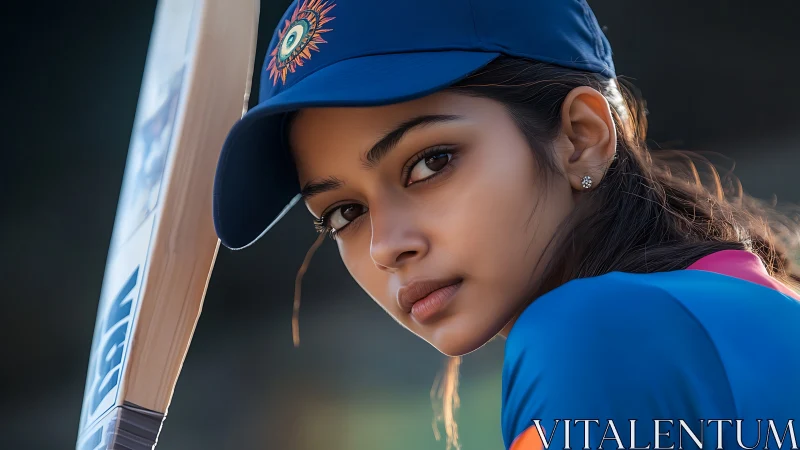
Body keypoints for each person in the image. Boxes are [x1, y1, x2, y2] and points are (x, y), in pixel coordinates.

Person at [211, 0, 800, 449]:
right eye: (344, 213)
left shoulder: (596, 332)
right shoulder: (738, 309)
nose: (387, 246)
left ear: (581, 139)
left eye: (429, 163)